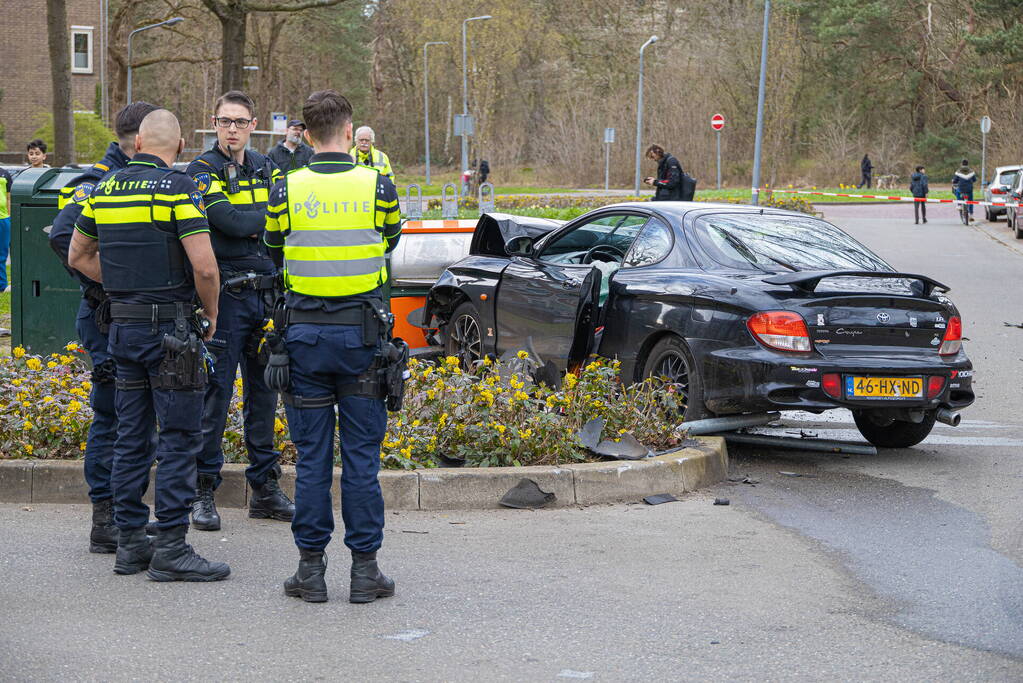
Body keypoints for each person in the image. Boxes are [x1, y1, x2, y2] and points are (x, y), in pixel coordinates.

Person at [68, 108, 230, 582]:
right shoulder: (179, 189)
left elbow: (77, 254)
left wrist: (124, 285)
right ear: (179, 147)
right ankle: (172, 548)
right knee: (179, 437)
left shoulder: (105, 189)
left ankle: (131, 543)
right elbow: (205, 267)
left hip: (123, 329)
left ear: (137, 144)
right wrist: (210, 313)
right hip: (171, 336)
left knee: (131, 436)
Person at [264, 89, 402, 603]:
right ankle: (365, 572)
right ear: (349, 131)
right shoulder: (378, 185)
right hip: (361, 339)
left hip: (304, 339)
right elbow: (389, 239)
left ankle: (310, 570)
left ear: (305, 133)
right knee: (362, 460)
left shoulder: (285, 188)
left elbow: (273, 247)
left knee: (313, 460)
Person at [49, 101, 161, 552]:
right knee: (113, 414)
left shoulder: (133, 176)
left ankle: (126, 513)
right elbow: (63, 237)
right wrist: (112, 284)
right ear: (139, 139)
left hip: (126, 315)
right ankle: (105, 518)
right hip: (105, 316)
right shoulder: (98, 181)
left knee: (135, 417)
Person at [186, 90, 294, 531]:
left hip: (265, 297)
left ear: (253, 125)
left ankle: (264, 489)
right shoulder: (201, 169)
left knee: (264, 395)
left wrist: (250, 220)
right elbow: (226, 222)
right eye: (225, 121)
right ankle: (203, 490)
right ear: (214, 124)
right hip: (225, 297)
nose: (232, 129)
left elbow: (279, 216)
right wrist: (262, 217)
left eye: (240, 122)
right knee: (214, 395)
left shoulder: (267, 166)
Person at [0, 165, 12, 292]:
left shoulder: (5, 174)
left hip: (3, 219)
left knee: (2, 254)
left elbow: (9, 198)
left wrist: (9, 216)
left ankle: (2, 285)